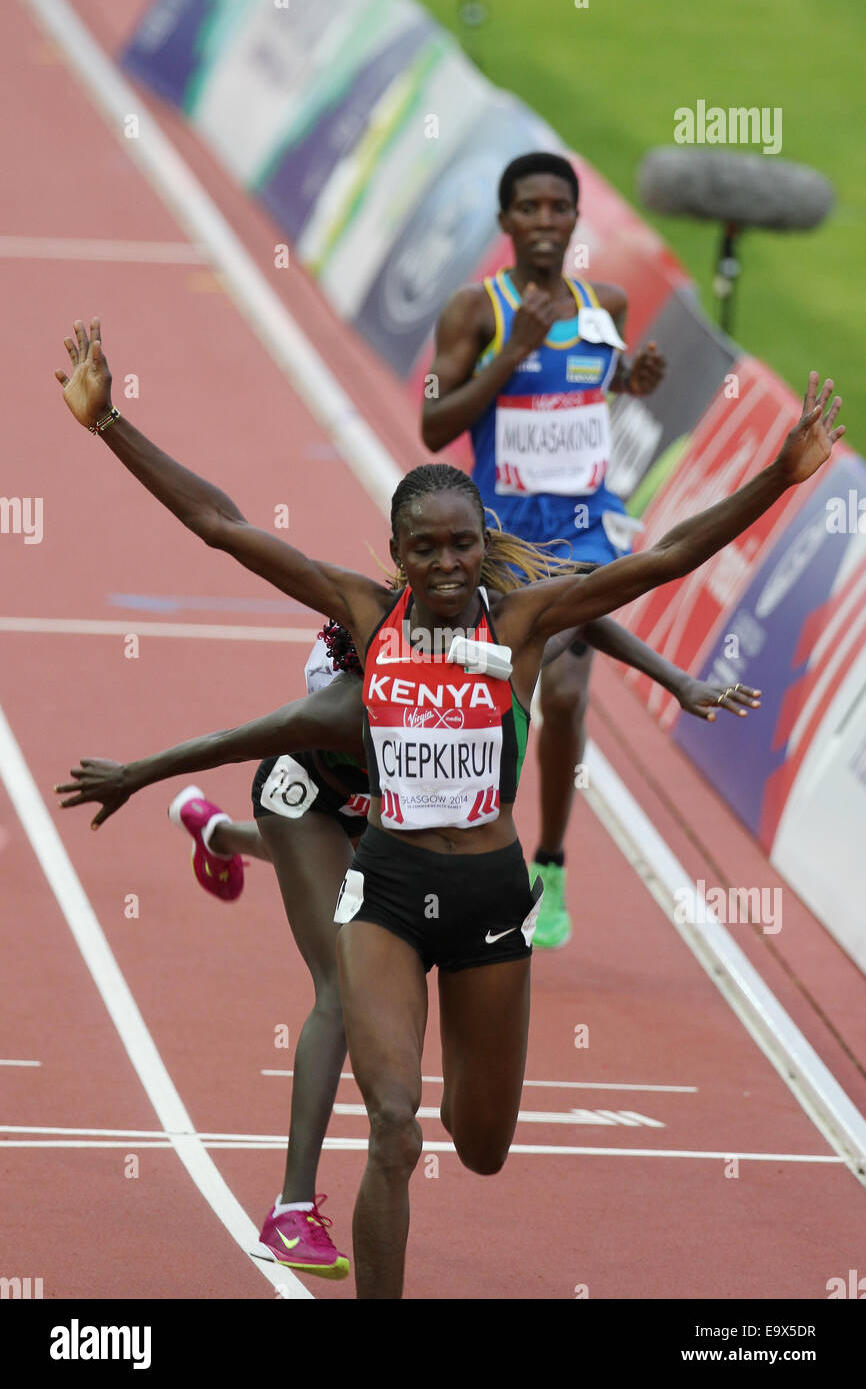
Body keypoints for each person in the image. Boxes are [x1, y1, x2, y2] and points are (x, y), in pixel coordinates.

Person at [55, 316, 842, 1298]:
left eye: (459, 546)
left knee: (480, 1145)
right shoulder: (362, 612)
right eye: (422, 550)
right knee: (394, 1129)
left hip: (485, 895)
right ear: (395, 550)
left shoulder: (521, 622)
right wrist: (110, 424)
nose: (442, 566)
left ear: (481, 546)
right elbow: (221, 524)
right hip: (384, 886)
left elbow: (666, 558)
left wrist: (779, 475)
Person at [422, 150, 667, 946]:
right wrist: (512, 352)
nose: (543, 221)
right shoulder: (476, 310)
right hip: (497, 542)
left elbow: (595, 381)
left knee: (561, 693)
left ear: (573, 219)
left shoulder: (606, 304)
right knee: (494, 701)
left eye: (557, 207)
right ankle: (463, 855)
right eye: (527, 208)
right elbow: (434, 424)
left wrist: (634, 377)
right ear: (505, 222)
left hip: (587, 530)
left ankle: (549, 865)